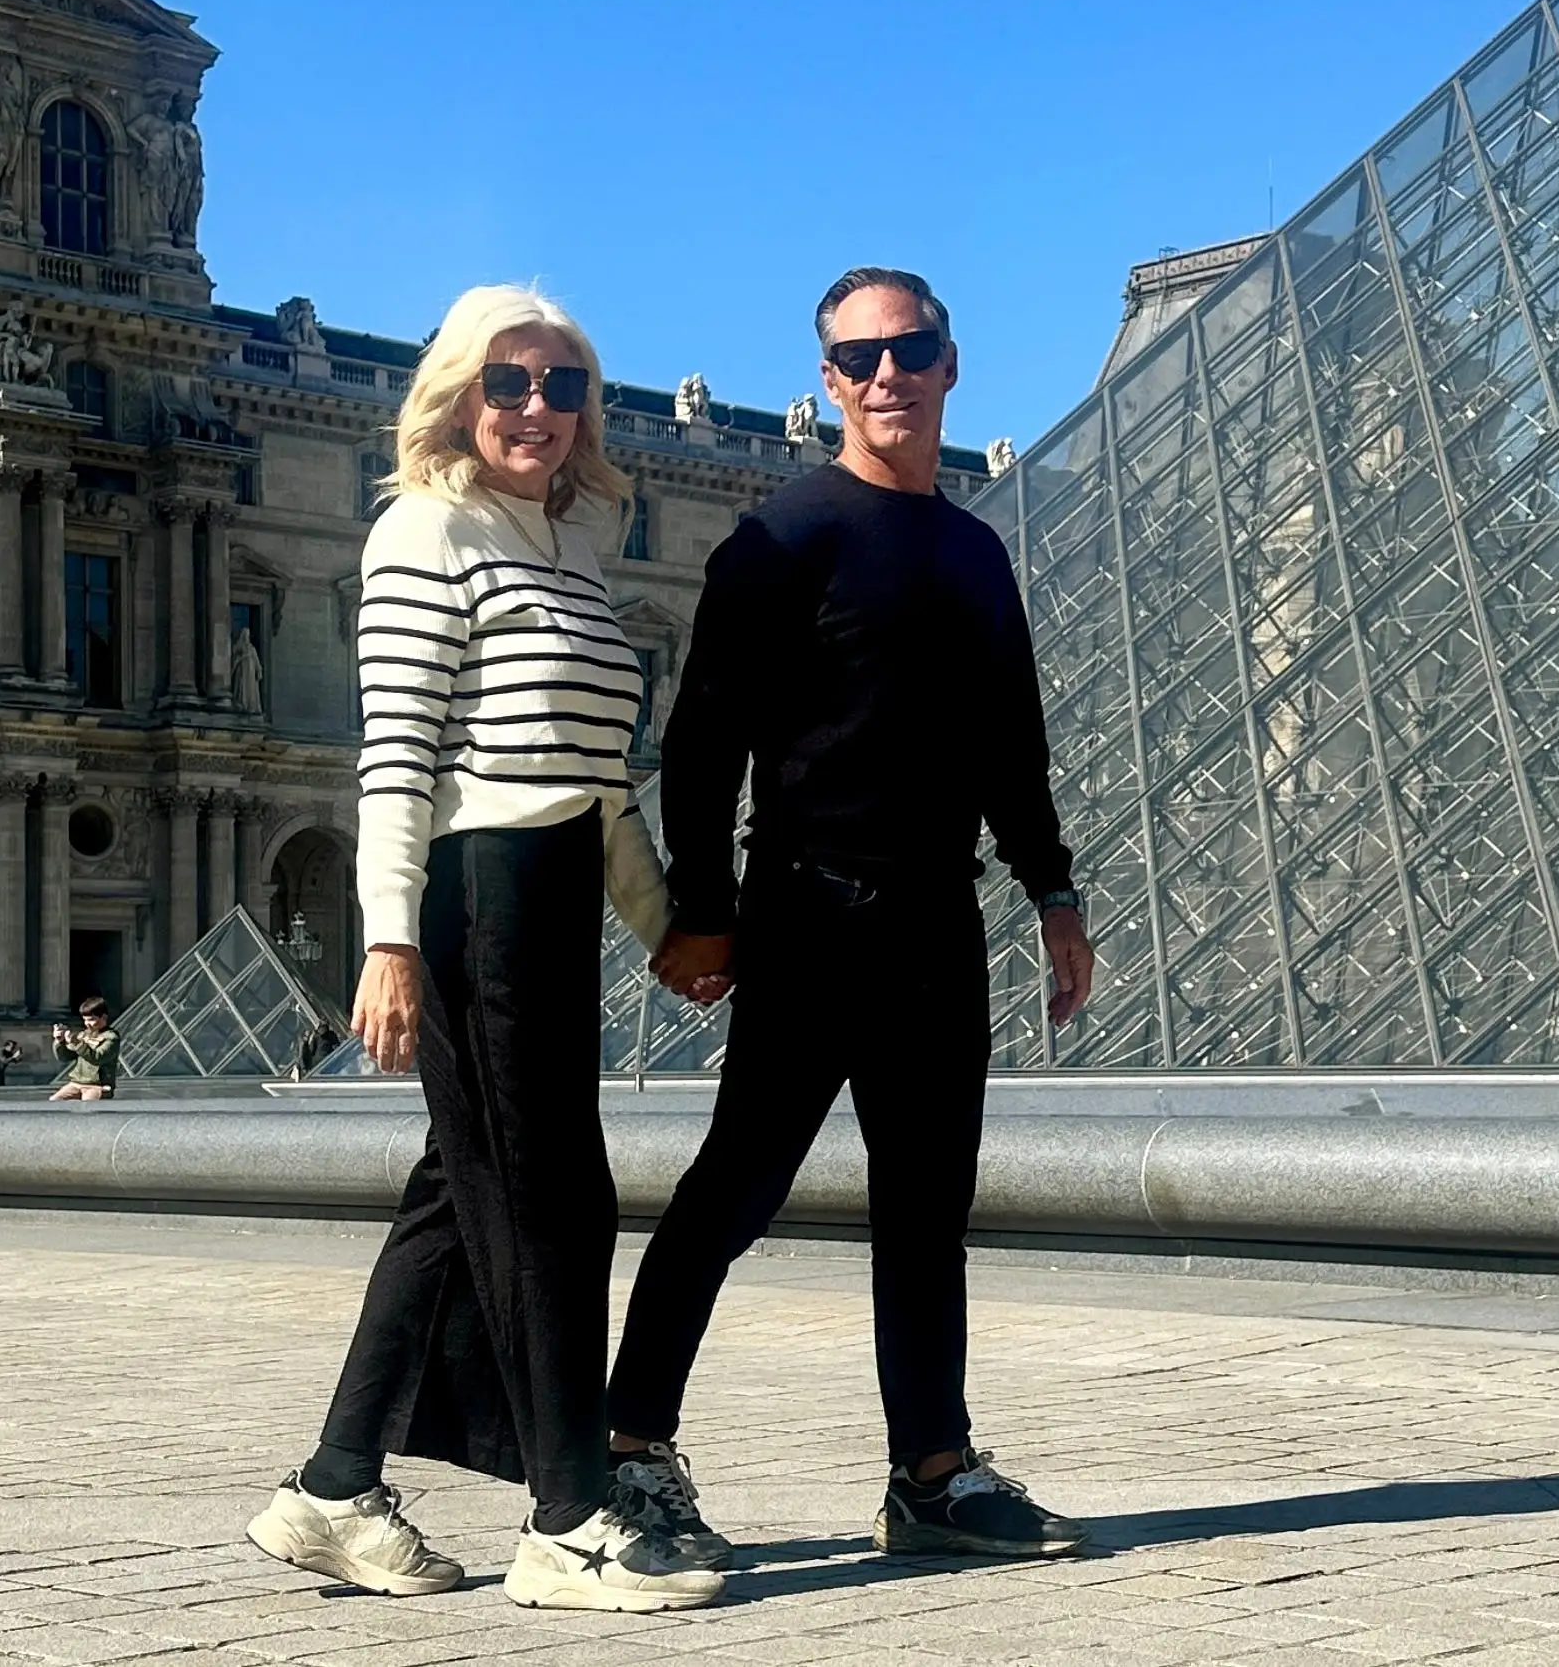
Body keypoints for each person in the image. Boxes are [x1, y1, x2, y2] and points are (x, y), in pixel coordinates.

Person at [604, 267, 1095, 1567]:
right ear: (829, 381)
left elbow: (1013, 745)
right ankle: (629, 1448)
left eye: (910, 350)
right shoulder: (781, 539)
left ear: (948, 364)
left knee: (928, 1210)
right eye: (860, 357)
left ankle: (931, 1472)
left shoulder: (978, 550)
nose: (888, 375)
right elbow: (701, 747)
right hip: (810, 912)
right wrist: (700, 914)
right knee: (736, 1187)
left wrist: (1052, 890)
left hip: (942, 919)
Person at [245, 284, 718, 1614]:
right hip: (475, 890)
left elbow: (598, 779)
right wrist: (387, 941)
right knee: (546, 1201)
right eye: (509, 383)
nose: (538, 411)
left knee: (466, 1192)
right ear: (456, 392)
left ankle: (333, 1490)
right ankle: (567, 1521)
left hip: (560, 884)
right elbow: (394, 755)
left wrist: (663, 923)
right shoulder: (422, 531)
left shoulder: (578, 542)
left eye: (565, 386)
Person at [46, 998, 119, 1101]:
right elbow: (65, 1057)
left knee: (88, 1107)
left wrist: (77, 1043)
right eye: (85, 1020)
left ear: (103, 1017)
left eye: (91, 1020)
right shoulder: (83, 1035)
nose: (87, 1023)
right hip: (76, 1083)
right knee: (54, 1101)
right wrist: (60, 1041)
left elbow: (97, 1058)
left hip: (98, 1085)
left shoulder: (111, 1038)